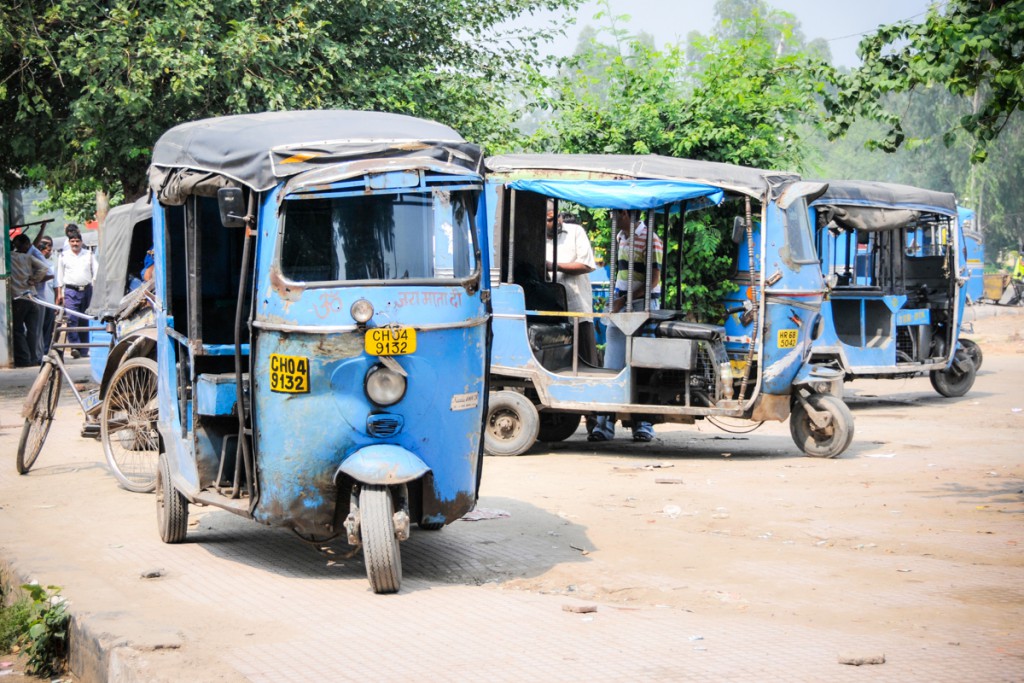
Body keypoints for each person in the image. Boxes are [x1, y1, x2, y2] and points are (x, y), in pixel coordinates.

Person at [590, 208, 663, 443]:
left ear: (624, 213)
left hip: (643, 306)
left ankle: (642, 424)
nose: (611, 217)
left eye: (614, 213)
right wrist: (617, 299)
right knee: (612, 364)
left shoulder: (651, 239)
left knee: (641, 365)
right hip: (621, 304)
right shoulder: (621, 236)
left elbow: (653, 279)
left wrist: (625, 300)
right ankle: (604, 424)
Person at [545, 209, 599, 365]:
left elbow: (587, 265)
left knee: (586, 362)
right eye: (550, 220)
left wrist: (555, 266)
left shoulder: (575, 232)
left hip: (577, 309)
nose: (557, 222)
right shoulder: (538, 238)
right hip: (550, 311)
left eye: (559, 217)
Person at [55, 227, 98, 357]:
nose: (75, 244)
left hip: (86, 290)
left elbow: (96, 272)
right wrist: (59, 294)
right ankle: (75, 346)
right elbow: (59, 277)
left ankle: (84, 349)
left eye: (77, 241)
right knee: (71, 319)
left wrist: (95, 290)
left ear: (81, 242)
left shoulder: (88, 255)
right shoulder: (64, 256)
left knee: (85, 319)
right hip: (70, 291)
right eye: (72, 241)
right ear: (69, 242)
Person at [10, 234, 52, 367]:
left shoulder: (8, 258)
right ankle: (34, 358)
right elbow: (44, 268)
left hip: (18, 297)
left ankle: (24, 358)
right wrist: (34, 279)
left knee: (17, 329)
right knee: (33, 330)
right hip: (33, 297)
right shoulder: (28, 257)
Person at [32, 235, 57, 358]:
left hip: (48, 301)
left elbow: (55, 281)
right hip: (38, 300)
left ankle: (44, 352)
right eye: (46, 247)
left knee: (46, 329)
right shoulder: (33, 259)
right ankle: (39, 353)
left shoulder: (50, 264)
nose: (49, 250)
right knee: (37, 329)